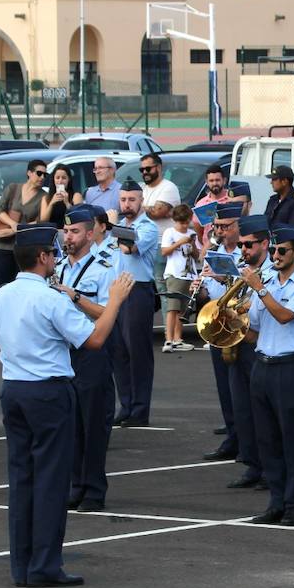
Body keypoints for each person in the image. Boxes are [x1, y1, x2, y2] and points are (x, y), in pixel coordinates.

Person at [0, 222, 130, 588]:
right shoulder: (50, 298)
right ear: (43, 257)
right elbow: (93, 339)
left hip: (13, 388)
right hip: (47, 391)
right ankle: (45, 565)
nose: (56, 258)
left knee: (22, 479)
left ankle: (23, 565)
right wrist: (114, 302)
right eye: (53, 253)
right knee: (50, 479)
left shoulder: (1, 295)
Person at [245, 225, 294, 526]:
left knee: (290, 439)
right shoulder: (267, 284)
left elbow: (285, 317)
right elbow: (253, 333)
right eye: (273, 250)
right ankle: (275, 502)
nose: (276, 255)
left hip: (287, 367)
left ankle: (293, 505)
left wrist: (260, 290)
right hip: (261, 364)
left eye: (282, 251)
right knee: (267, 440)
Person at [52, 205, 117, 512]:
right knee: (71, 424)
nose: (69, 236)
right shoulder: (60, 267)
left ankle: (93, 488)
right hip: (65, 352)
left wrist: (75, 297)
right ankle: (76, 484)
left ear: (90, 234)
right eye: (66, 231)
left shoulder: (104, 267)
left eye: (75, 231)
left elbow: (108, 312)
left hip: (92, 350)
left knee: (93, 424)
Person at [201, 209, 270, 490]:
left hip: (260, 346)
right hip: (236, 343)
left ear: (264, 244)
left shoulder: (271, 272)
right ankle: (252, 465)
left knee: (262, 412)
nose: (244, 250)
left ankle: (269, 468)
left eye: (249, 245)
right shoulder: (241, 268)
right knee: (242, 408)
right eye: (241, 245)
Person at [113, 180, 160, 426]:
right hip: (118, 290)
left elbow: (130, 248)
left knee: (138, 352)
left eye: (132, 199)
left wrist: (110, 227)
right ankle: (126, 405)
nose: (127, 204)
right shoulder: (120, 225)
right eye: (123, 199)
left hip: (138, 291)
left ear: (141, 200)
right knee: (119, 351)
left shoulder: (148, 228)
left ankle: (140, 410)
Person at [201, 204, 246, 464]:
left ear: (238, 226)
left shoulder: (245, 253)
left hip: (238, 324)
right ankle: (232, 436)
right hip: (217, 325)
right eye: (217, 227)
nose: (220, 231)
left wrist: (222, 278)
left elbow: (246, 287)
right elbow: (207, 291)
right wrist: (201, 288)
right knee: (224, 387)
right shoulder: (215, 252)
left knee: (239, 387)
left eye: (225, 227)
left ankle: (245, 441)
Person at [0, 160, 50, 285]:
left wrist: (17, 229)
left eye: (45, 175)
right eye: (39, 173)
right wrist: (13, 224)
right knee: (2, 284)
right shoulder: (13, 188)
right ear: (29, 172)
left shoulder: (43, 196)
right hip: (4, 245)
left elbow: (40, 221)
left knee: (22, 284)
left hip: (25, 248)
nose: (42, 177)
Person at [139, 152, 182, 316]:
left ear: (158, 167)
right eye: (141, 169)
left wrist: (140, 207)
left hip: (162, 245)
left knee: (164, 291)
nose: (144, 172)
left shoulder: (168, 187)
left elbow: (158, 211)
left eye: (148, 169)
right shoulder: (143, 189)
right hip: (144, 245)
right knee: (145, 290)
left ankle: (169, 336)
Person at [160, 203, 199, 352]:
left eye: (186, 222)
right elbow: (164, 252)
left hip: (189, 275)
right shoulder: (170, 232)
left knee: (182, 311)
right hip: (174, 274)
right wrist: (180, 242)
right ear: (174, 220)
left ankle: (178, 339)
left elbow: (196, 257)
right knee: (172, 308)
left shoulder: (191, 233)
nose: (183, 226)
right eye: (180, 222)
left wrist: (193, 244)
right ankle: (168, 340)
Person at [193, 164, 230, 246]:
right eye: (211, 181)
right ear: (207, 182)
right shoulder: (201, 204)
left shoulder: (232, 200)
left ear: (224, 181)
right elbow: (199, 231)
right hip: (209, 250)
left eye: (217, 180)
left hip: (229, 248)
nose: (215, 183)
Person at [264, 165, 294, 234]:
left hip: (285, 244)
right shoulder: (272, 200)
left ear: (284, 181)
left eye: (274, 179)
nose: (271, 182)